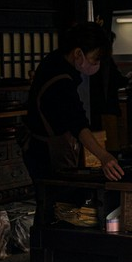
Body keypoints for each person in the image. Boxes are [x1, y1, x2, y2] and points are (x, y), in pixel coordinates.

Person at [23, 22, 125, 183]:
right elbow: (78, 123)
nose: (96, 65)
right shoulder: (60, 80)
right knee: (59, 200)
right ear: (78, 53)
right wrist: (104, 156)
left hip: (41, 146)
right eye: (94, 60)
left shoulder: (55, 59)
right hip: (45, 151)